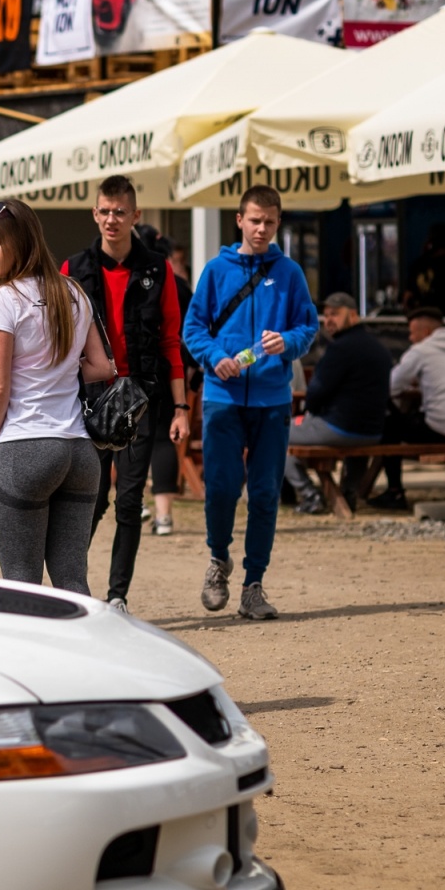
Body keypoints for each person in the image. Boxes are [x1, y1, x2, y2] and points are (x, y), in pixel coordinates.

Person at [181, 186, 318, 620]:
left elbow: (307, 326)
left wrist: (288, 342)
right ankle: (218, 559)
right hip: (222, 396)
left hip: (272, 399)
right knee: (220, 489)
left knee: (264, 493)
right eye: (254, 220)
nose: (261, 229)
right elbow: (193, 329)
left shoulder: (290, 272)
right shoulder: (216, 271)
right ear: (239, 220)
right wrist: (214, 357)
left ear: (279, 224)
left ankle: (253, 585)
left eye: (270, 222)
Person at [61, 176, 189, 610]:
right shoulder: (72, 268)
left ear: (136, 216)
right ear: (95, 214)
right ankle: (71, 588)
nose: (112, 219)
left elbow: (172, 341)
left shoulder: (157, 267)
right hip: (89, 398)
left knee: (130, 502)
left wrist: (181, 408)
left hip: (139, 400)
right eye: (105, 211)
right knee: (88, 500)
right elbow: (58, 341)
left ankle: (117, 597)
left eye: (121, 212)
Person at [0, 199, 115, 595]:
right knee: (72, 581)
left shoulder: (5, 299)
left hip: (25, 447)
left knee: (22, 584)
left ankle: (29, 661)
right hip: (79, 453)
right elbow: (102, 367)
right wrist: (60, 371)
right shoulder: (73, 292)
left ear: (18, 243)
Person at [284, 292, 393, 514]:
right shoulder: (380, 349)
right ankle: (349, 491)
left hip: (338, 428)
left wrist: (310, 413)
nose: (328, 320)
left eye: (335, 314)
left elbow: (316, 392)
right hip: (372, 432)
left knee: (273, 434)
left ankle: (309, 495)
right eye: (325, 315)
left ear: (353, 315)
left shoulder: (340, 349)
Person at [370, 305, 445, 510]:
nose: (409, 338)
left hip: (440, 429)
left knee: (389, 426)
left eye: (412, 332)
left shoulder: (420, 351)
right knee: (441, 416)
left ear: (426, 333)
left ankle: (395, 492)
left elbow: (389, 386)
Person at [150, 235, 198, 534]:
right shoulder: (178, 285)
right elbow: (194, 328)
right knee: (163, 438)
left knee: (126, 435)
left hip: (130, 371)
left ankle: (135, 504)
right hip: (172, 367)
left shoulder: (128, 277)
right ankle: (163, 515)